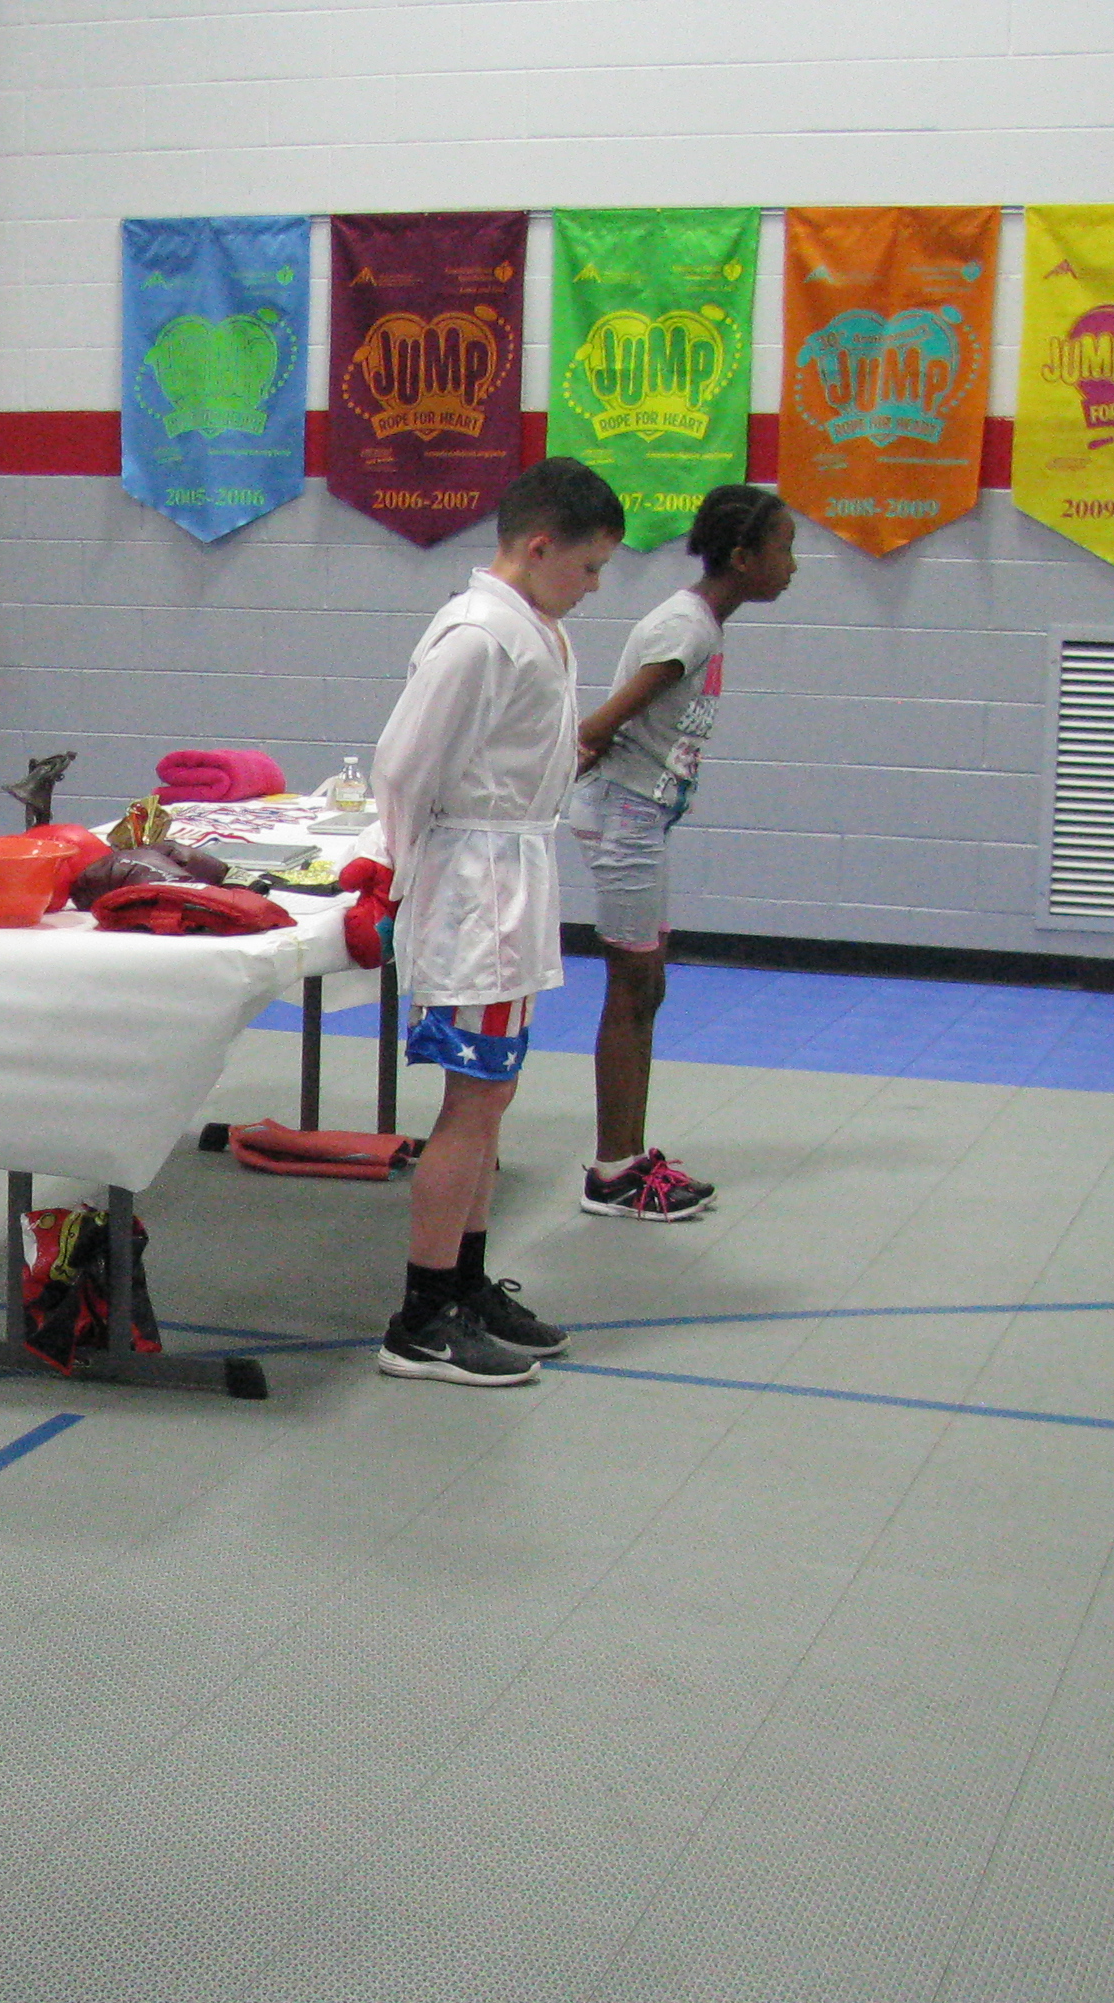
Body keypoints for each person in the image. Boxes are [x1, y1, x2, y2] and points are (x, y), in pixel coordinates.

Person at [369, 456, 626, 1390]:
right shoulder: (479, 635)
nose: (594, 587)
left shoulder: (537, 628)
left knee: (493, 1099)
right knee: (471, 1103)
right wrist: (401, 882)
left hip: (513, 878)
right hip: (471, 890)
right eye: (589, 567)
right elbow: (402, 767)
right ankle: (419, 1318)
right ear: (540, 546)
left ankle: (464, 1283)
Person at [566, 483, 798, 1221]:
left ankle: (630, 1159)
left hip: (641, 819)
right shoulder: (687, 630)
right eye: (784, 549)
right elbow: (594, 729)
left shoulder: (701, 624)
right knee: (632, 989)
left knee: (648, 989)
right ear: (743, 557)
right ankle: (612, 1174)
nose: (793, 566)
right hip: (624, 819)